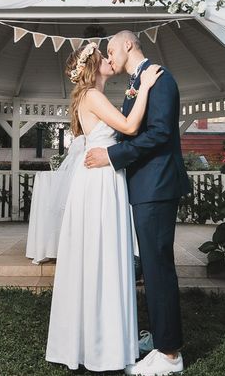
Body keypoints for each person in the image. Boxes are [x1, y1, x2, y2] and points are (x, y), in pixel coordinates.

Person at [45, 41, 163, 372]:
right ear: (95, 66)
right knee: (102, 254)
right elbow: (128, 128)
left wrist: (129, 99)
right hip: (99, 183)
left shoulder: (94, 97)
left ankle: (97, 341)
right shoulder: (93, 97)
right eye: (106, 57)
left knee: (99, 256)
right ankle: (102, 345)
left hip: (102, 178)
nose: (111, 59)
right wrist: (145, 88)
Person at [84, 30, 190, 376]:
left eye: (111, 50)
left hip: (157, 186)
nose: (109, 58)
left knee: (159, 269)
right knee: (152, 268)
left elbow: (159, 134)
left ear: (128, 45)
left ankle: (170, 355)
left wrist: (111, 157)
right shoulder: (137, 83)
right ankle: (160, 337)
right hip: (145, 188)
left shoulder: (159, 78)